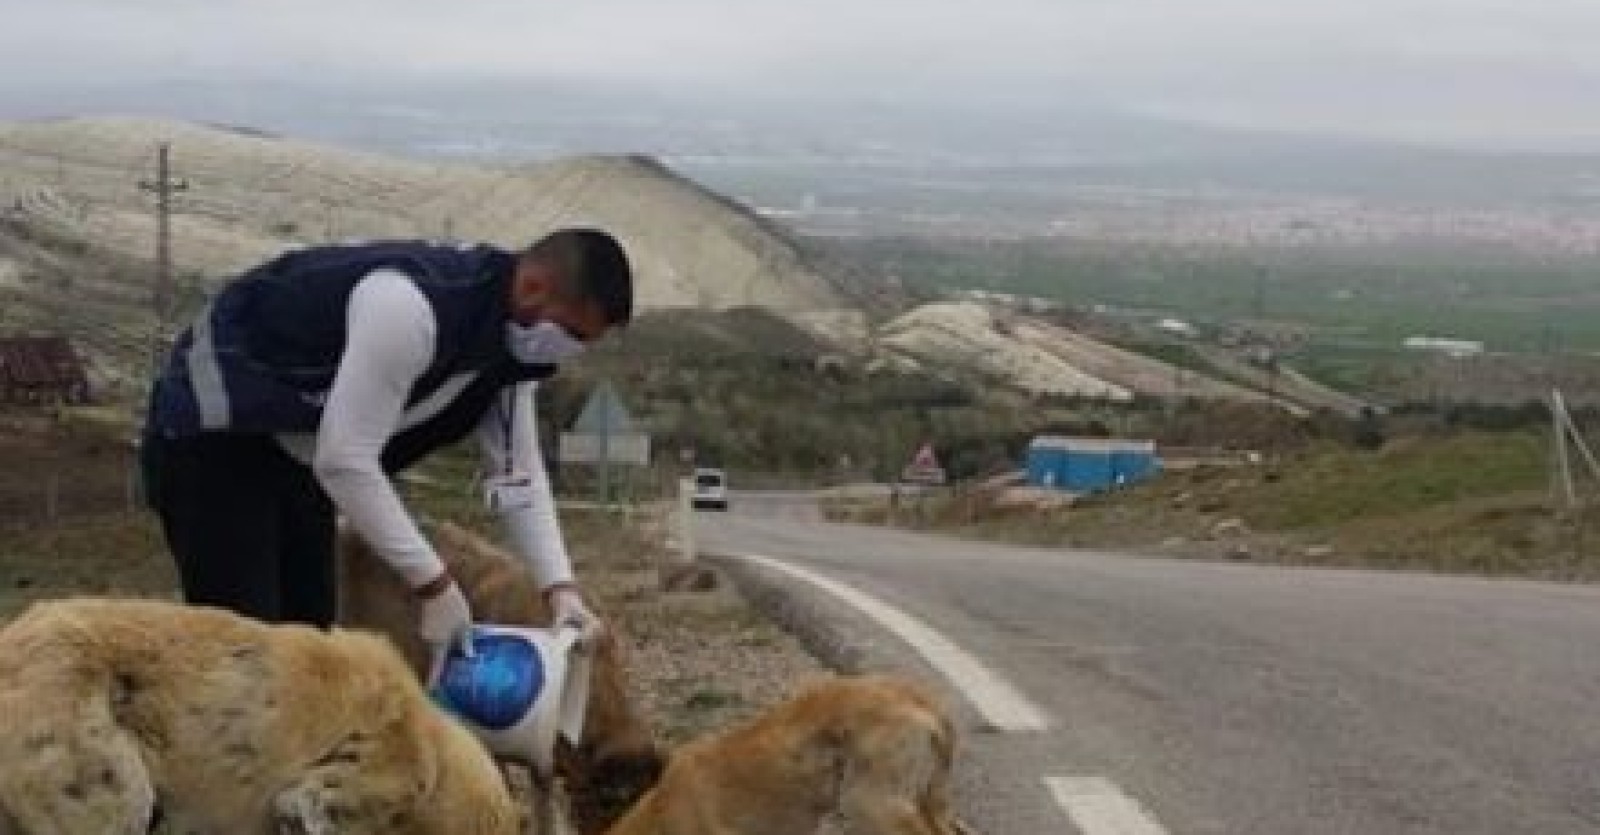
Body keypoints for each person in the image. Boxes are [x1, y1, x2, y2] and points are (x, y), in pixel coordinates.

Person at [139, 229, 632, 662]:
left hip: (298, 452)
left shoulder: (511, 354)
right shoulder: (409, 309)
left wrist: (560, 590)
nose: (571, 350)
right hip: (219, 432)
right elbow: (344, 461)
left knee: (309, 645)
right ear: (532, 288)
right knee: (249, 649)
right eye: (571, 333)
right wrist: (434, 585)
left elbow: (516, 474)